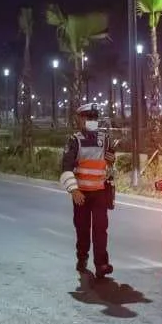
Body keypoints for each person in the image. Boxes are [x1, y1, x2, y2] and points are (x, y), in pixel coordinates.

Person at [59, 103, 116, 278]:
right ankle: (82, 257)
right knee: (83, 230)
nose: (91, 121)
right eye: (87, 117)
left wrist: (113, 160)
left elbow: (110, 162)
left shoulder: (105, 139)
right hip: (81, 194)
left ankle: (102, 264)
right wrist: (74, 191)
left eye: (93, 118)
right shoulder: (74, 140)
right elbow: (65, 168)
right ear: (80, 119)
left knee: (100, 230)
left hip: (100, 192)